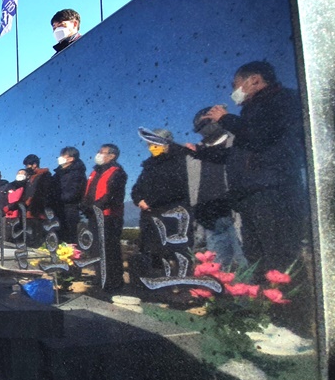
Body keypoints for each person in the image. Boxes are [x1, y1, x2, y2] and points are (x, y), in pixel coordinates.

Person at [203, 61, 305, 273]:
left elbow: (260, 136)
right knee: (257, 258)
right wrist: (197, 151)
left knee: (278, 258)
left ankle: (282, 304)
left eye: (236, 85)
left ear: (255, 80)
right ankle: (260, 303)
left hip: (273, 191)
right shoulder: (252, 110)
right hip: (253, 193)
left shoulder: (281, 100)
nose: (233, 92)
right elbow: (238, 154)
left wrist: (225, 118)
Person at [186, 109, 247, 270]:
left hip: (235, 212)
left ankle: (246, 293)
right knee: (218, 264)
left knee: (245, 259)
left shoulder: (237, 143)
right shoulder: (193, 151)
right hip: (209, 215)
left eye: (209, 121)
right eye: (201, 125)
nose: (206, 127)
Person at [130, 129, 192, 283]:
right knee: (151, 251)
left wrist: (152, 201)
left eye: (155, 144)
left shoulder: (179, 160)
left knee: (174, 251)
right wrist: (139, 200)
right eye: (149, 144)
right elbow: (137, 188)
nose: (152, 147)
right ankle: (154, 283)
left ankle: (179, 286)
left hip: (171, 213)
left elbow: (178, 187)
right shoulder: (148, 165)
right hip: (150, 215)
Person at [82, 144, 127, 292]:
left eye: (102, 152)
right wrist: (85, 206)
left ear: (112, 156)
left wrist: (95, 206)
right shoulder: (95, 172)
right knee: (96, 249)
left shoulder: (117, 172)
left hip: (109, 216)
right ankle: (100, 277)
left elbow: (112, 196)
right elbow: (89, 192)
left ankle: (113, 282)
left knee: (109, 249)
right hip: (94, 215)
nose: (98, 154)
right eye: (98, 151)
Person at [52, 147, 87, 244]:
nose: (60, 157)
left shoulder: (76, 173)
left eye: (63, 155)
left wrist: (58, 199)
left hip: (69, 209)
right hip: (58, 209)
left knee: (69, 238)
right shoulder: (59, 173)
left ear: (71, 158)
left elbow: (74, 192)